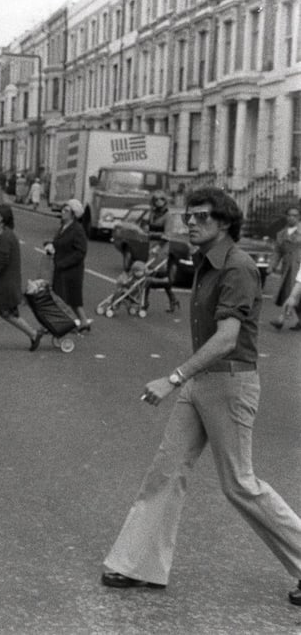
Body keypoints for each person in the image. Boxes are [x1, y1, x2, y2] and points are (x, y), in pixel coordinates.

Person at [101, 187, 301, 607]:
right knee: (167, 469)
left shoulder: (238, 267)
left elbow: (227, 338)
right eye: (188, 216)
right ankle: (139, 564)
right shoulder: (206, 261)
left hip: (229, 383)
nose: (191, 223)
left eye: (202, 217)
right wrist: (187, 380)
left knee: (240, 485)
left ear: (225, 222)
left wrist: (174, 378)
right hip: (202, 381)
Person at [0, 204, 42, 352]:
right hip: (2, 281)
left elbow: (3, 260)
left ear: (3, 218)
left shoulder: (5, 236)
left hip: (5, 282)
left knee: (7, 313)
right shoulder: (4, 233)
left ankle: (33, 334)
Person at [44, 199, 91, 328]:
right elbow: (60, 242)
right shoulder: (64, 227)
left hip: (71, 270)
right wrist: (49, 244)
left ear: (73, 214)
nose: (63, 212)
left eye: (66, 210)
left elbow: (81, 252)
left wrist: (64, 263)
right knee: (71, 298)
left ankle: (64, 324)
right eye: (63, 209)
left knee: (64, 298)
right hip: (61, 267)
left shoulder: (77, 230)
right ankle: (84, 322)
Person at [138, 190, 181, 313]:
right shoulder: (152, 213)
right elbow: (145, 225)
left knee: (156, 275)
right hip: (152, 246)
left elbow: (167, 235)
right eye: (156, 199)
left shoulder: (168, 216)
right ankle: (169, 300)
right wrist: (146, 227)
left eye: (161, 199)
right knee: (150, 274)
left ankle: (147, 302)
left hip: (161, 249)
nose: (158, 202)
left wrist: (158, 245)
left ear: (165, 201)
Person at [270, 204, 301, 330]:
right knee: (292, 294)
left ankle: (281, 319)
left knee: (292, 293)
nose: (291, 218)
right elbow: (277, 251)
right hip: (287, 268)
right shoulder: (281, 234)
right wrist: (272, 266)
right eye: (289, 215)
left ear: (299, 217)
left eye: (294, 215)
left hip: (299, 268)